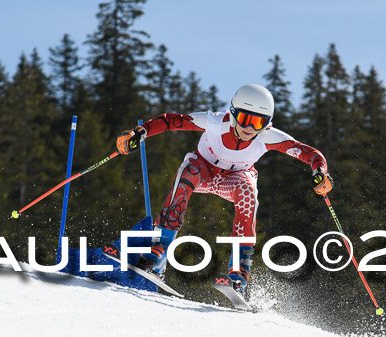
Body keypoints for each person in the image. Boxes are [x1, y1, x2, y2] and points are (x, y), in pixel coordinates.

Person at [115, 83, 333, 294]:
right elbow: (172, 121)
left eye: (258, 122)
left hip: (234, 179)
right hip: (204, 171)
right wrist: (140, 132)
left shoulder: (268, 137)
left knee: (248, 193)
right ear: (233, 113)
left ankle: (239, 272)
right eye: (245, 118)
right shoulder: (215, 122)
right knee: (188, 171)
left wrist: (320, 172)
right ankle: (158, 252)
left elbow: (309, 153)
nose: (249, 128)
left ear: (267, 123)